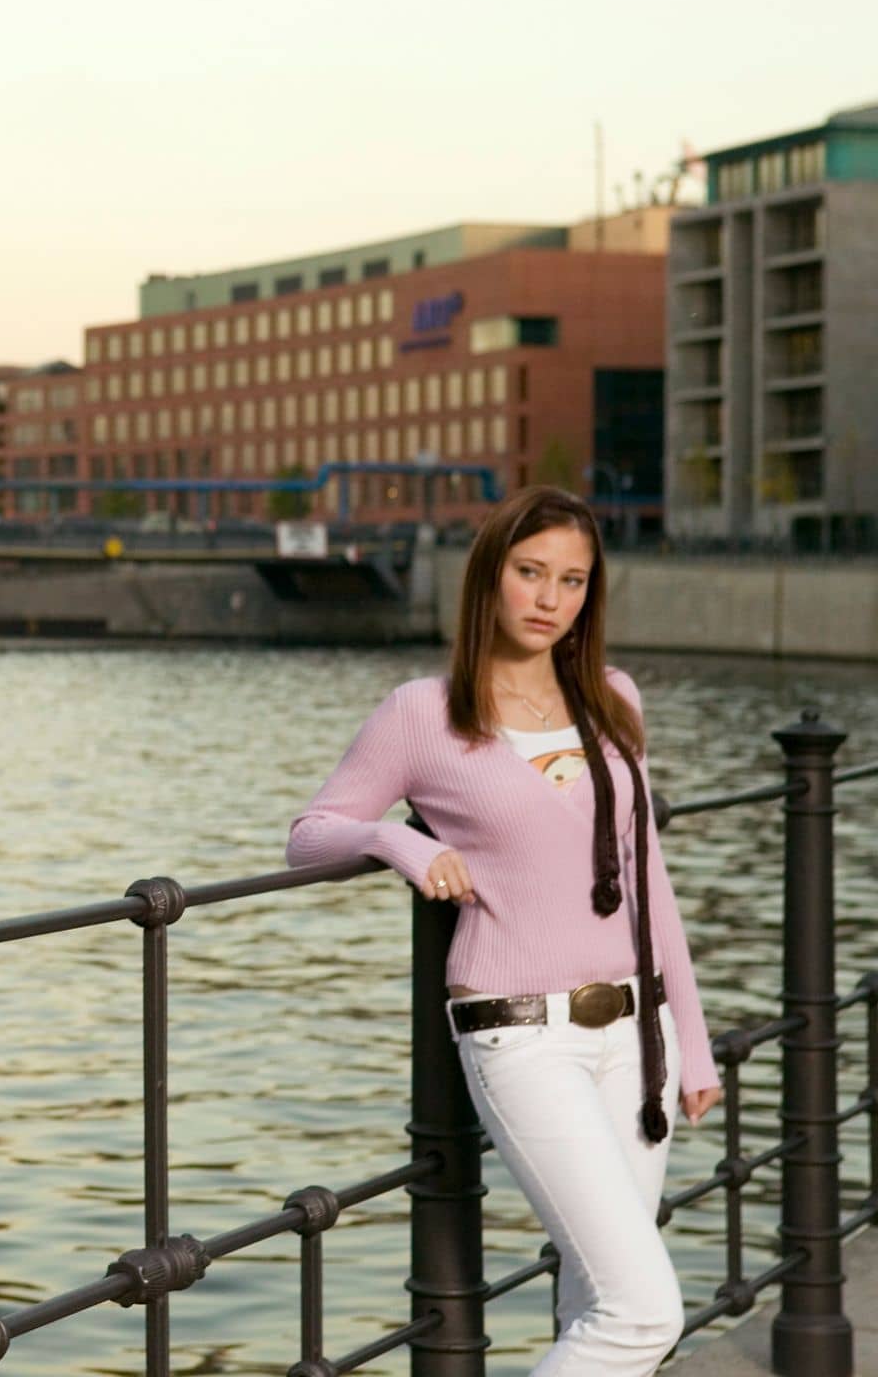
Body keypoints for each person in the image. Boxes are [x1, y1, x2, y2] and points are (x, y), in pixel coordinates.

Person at [286, 485, 721, 1377]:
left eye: (572, 580)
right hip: (522, 1036)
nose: (550, 598)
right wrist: (397, 841)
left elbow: (648, 877)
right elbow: (310, 835)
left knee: (596, 1303)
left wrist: (693, 1040)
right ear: (489, 575)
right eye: (530, 572)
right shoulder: (422, 712)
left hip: (638, 1036)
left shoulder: (613, 698)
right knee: (643, 1315)